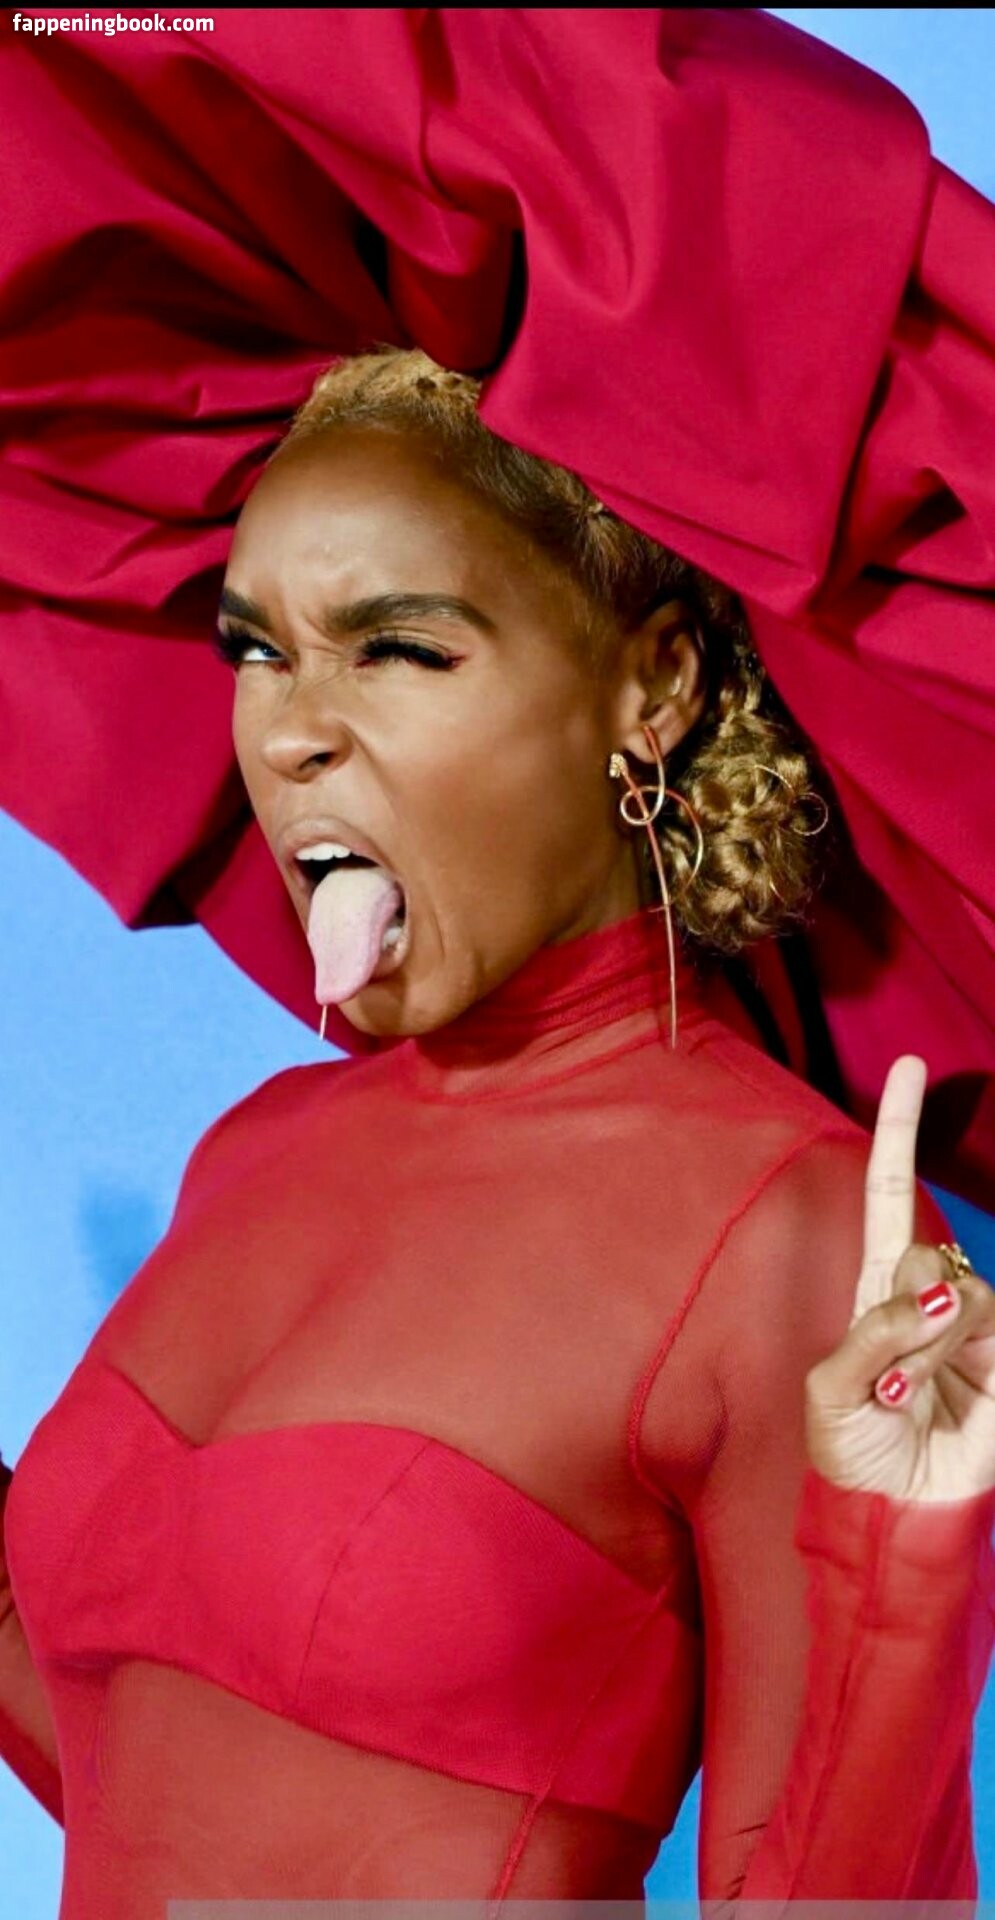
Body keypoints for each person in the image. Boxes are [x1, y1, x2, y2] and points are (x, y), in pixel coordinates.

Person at [1, 346, 993, 1918]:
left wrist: (899, 1585)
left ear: (651, 686)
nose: (291, 734)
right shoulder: (253, 1146)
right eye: (256, 650)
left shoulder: (790, 1226)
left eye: (396, 649)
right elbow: (170, 1780)